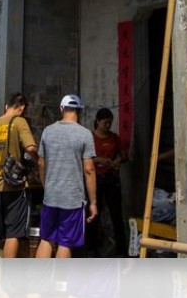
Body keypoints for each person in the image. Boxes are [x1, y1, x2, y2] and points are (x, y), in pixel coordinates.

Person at [36, 94, 97, 259]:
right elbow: (89, 170)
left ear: (61, 109)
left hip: (50, 197)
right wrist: (93, 202)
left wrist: (46, 186)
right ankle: (60, 285)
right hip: (72, 200)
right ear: (79, 111)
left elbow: (41, 163)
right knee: (65, 242)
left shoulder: (48, 131)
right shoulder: (85, 134)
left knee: (46, 239)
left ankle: (38, 284)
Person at [0, 92, 37, 259]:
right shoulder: (19, 122)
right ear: (22, 108)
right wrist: (38, 162)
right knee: (13, 233)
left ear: (7, 106)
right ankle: (6, 278)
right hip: (15, 186)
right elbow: (31, 148)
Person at [88, 107, 127, 256]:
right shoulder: (90, 138)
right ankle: (92, 249)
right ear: (97, 122)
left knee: (117, 215)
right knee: (93, 214)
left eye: (110, 123)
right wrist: (99, 160)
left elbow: (124, 156)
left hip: (111, 179)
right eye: (105, 123)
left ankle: (122, 250)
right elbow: (84, 159)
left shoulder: (114, 138)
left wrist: (117, 161)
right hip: (95, 179)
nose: (107, 126)